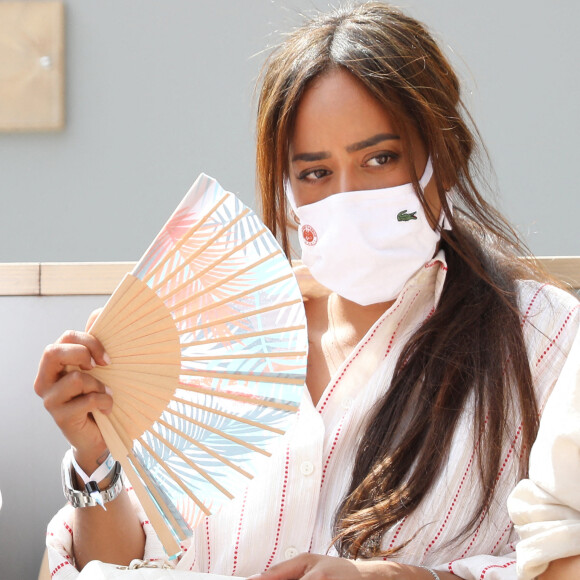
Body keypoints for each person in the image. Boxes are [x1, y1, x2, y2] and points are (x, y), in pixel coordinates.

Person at [34, 3, 580, 579]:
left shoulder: (544, 340)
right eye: (315, 172)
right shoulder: (211, 340)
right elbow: (95, 566)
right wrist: (98, 456)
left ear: (442, 158)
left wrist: (406, 577)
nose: (349, 196)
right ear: (287, 188)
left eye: (380, 158)